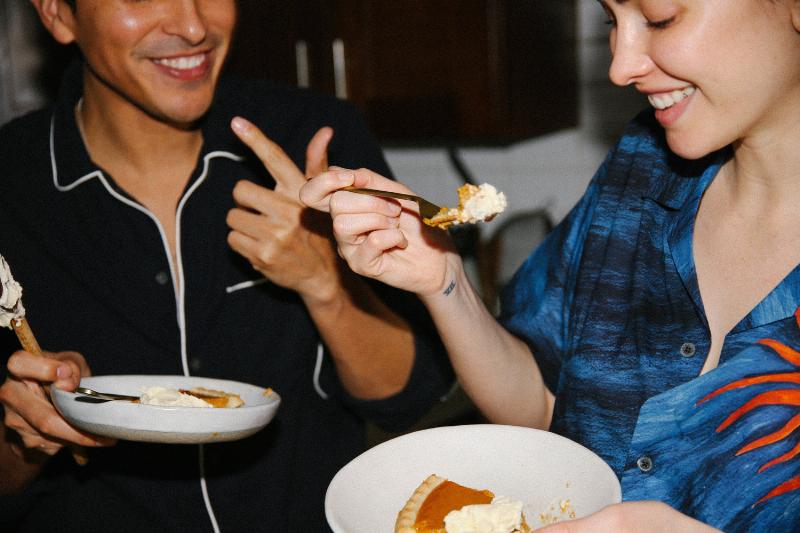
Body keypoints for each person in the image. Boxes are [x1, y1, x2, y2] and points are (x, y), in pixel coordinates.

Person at [299, 1, 800, 531]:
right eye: (612, 21)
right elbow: (541, 405)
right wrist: (443, 279)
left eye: (659, 19)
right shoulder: (641, 167)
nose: (620, 66)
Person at [0, 1, 451, 531]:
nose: (193, 27)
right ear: (58, 14)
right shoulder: (12, 184)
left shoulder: (310, 135)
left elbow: (409, 399)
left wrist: (322, 281)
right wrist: (29, 436)